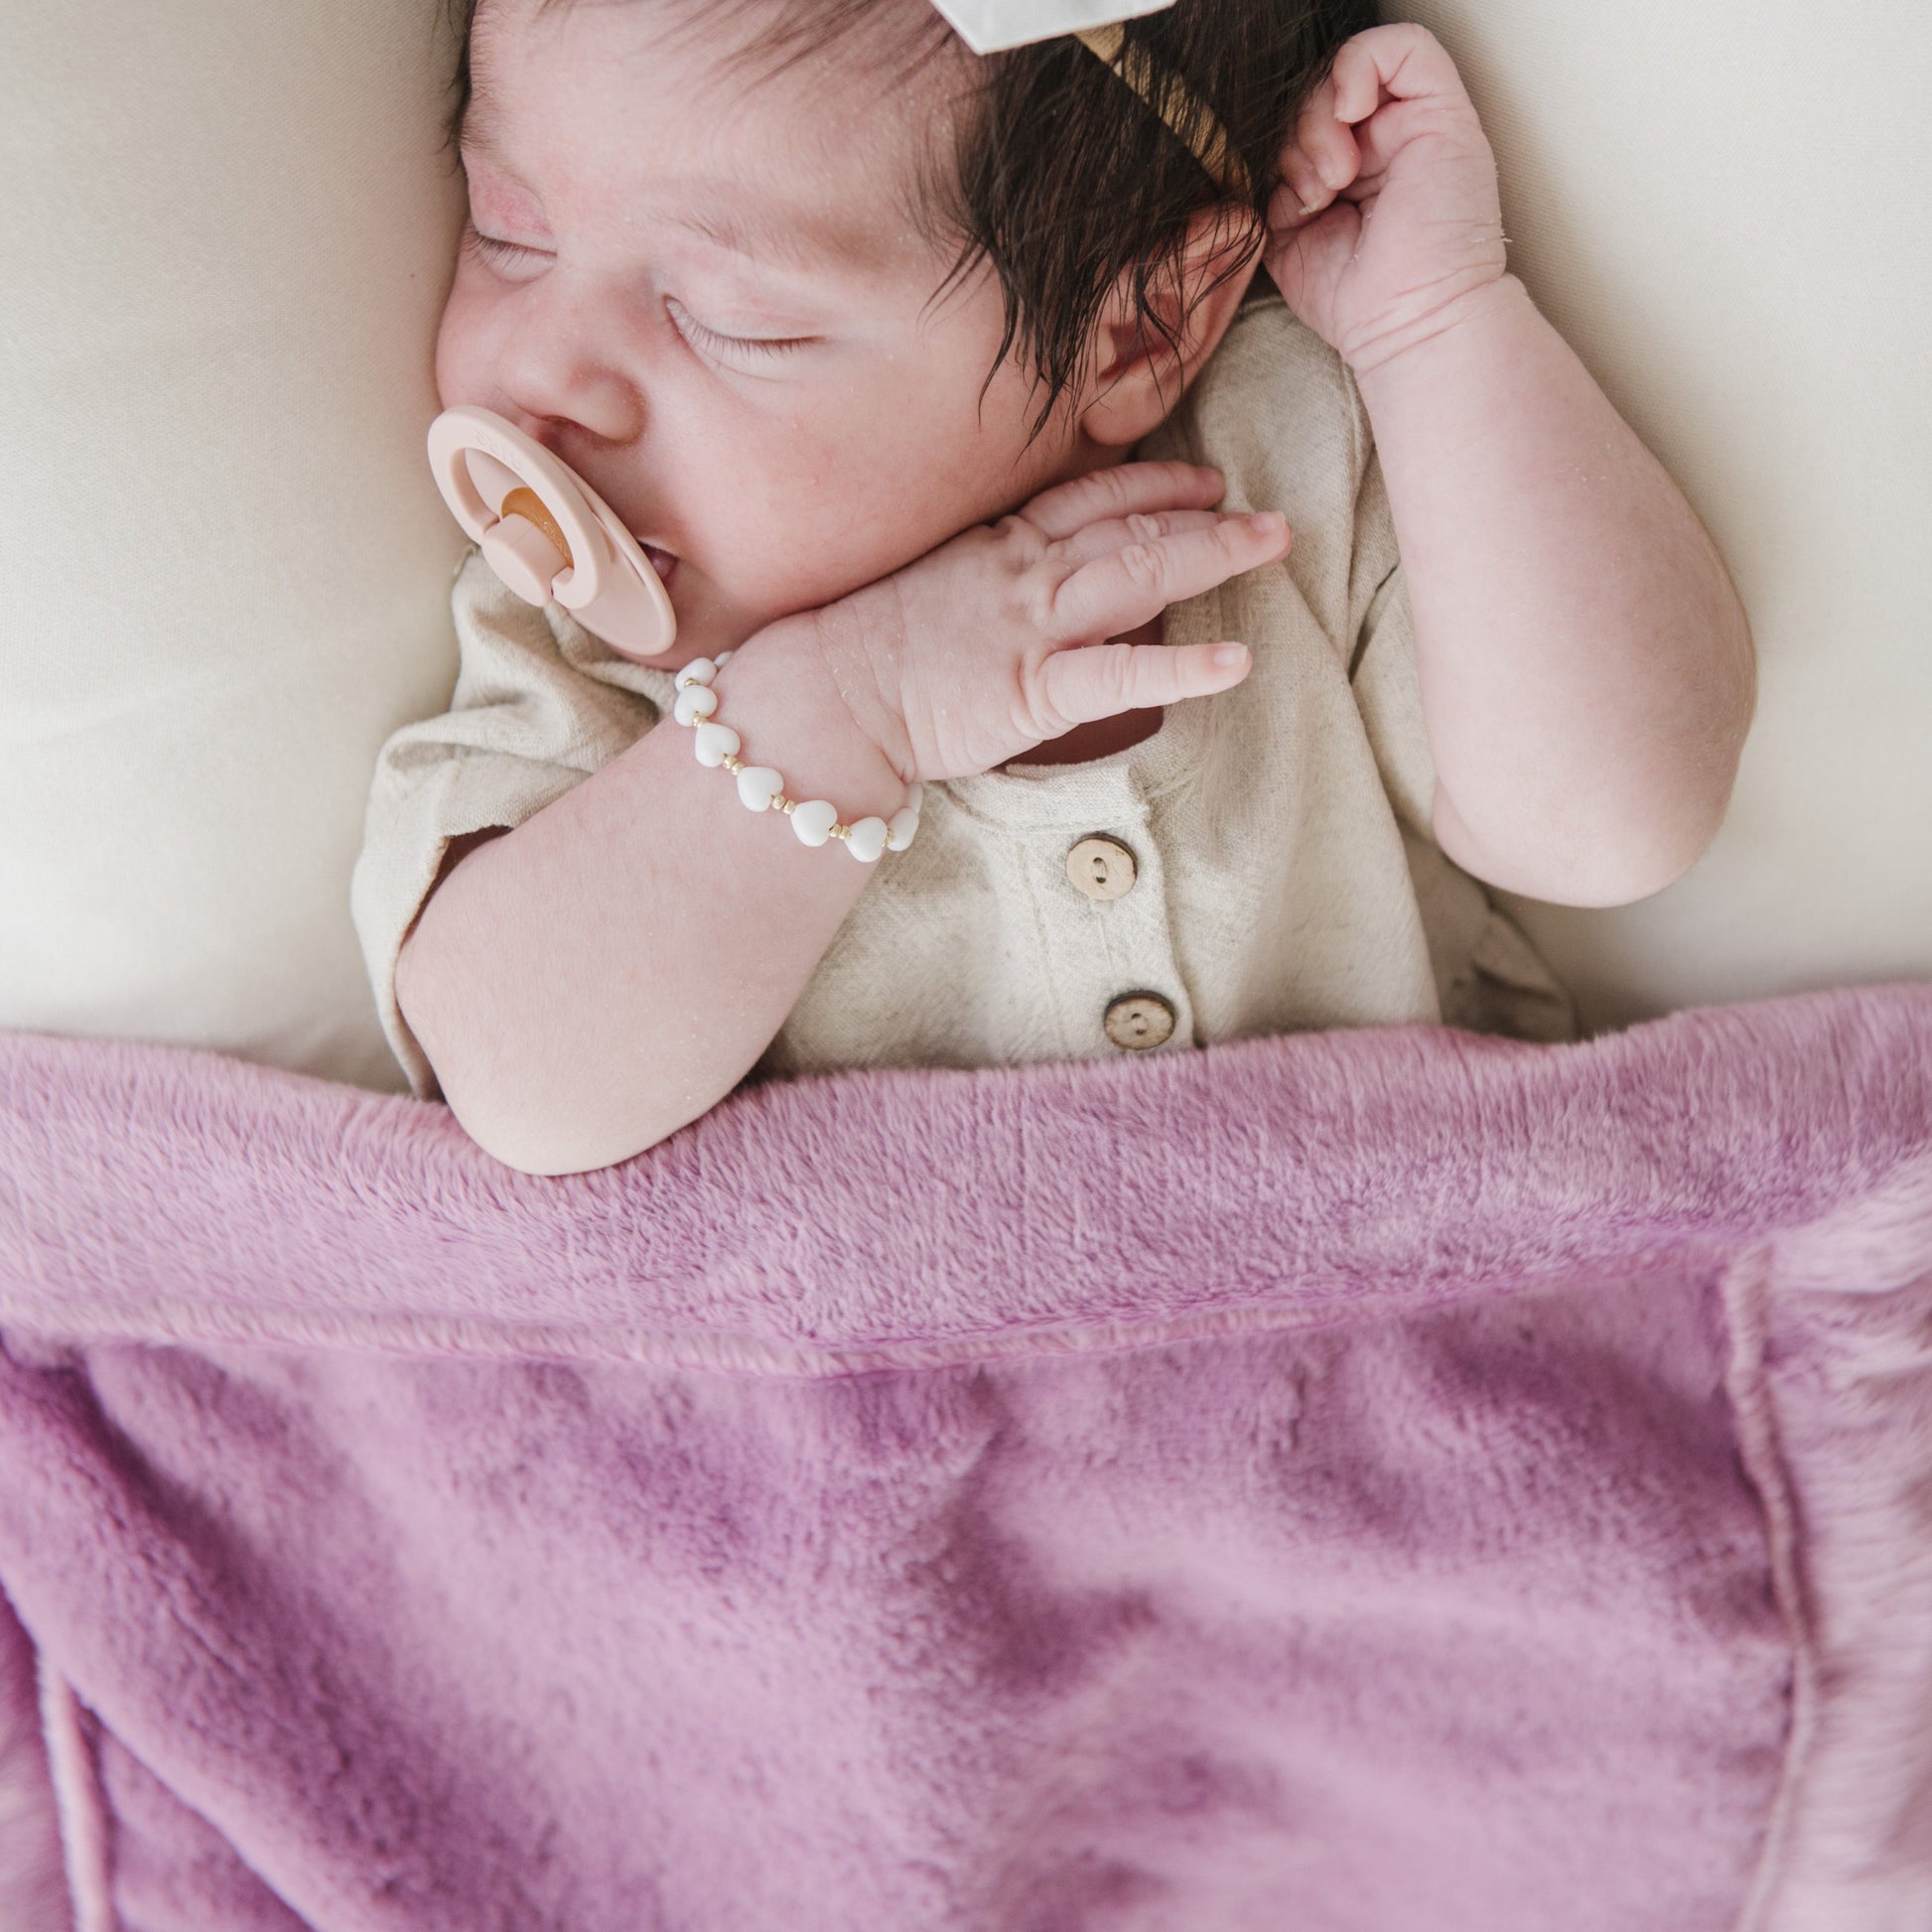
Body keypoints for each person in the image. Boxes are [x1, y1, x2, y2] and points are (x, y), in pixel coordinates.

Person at [352, 0, 1754, 1175]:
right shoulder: (597, 639)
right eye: (507, 232)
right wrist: (844, 707)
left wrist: (1433, 324)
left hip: (1405, 1279)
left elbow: (1609, 826)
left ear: (1138, 331)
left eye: (730, 320)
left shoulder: (1288, 466)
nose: (544, 374)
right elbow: (519, 1080)